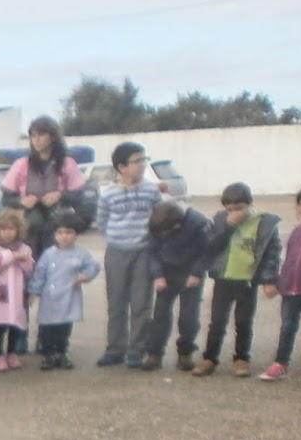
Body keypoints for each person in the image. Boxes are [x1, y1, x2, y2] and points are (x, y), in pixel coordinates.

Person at [193, 183, 282, 379]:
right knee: (217, 321)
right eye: (230, 209)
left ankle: (241, 358)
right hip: (224, 278)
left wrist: (269, 279)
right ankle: (210, 358)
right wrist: (228, 226)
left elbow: (272, 253)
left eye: (239, 208)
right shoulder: (220, 219)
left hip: (247, 281)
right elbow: (211, 246)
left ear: (249, 204)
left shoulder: (264, 222)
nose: (234, 213)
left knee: (243, 321)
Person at [95, 142, 161, 368]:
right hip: (116, 252)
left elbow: (159, 218)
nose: (142, 165)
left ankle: (136, 350)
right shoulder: (108, 193)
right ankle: (115, 349)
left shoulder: (151, 190)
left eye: (144, 160)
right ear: (121, 167)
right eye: (137, 161)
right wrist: (116, 239)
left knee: (141, 303)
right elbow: (102, 222)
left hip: (144, 252)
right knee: (116, 303)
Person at [0, 116, 86, 260]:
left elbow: (79, 197)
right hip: (28, 228)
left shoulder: (67, 164)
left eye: (41, 135)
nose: (36, 139)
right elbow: (5, 199)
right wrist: (21, 201)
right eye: (33, 135)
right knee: (30, 264)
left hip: (58, 229)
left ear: (52, 137)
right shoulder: (21, 164)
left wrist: (60, 196)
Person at [143, 203, 210, 373]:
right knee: (160, 314)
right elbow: (152, 251)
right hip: (166, 271)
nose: (163, 235)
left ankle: (185, 353)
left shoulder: (199, 223)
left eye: (166, 232)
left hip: (191, 272)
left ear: (177, 225)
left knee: (189, 316)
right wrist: (158, 274)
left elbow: (207, 251)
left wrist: (197, 272)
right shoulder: (157, 224)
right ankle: (154, 354)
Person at [29, 212, 100, 370]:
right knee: (48, 329)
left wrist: (85, 276)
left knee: (64, 329)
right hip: (50, 298)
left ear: (76, 235)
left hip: (69, 297)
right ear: (55, 235)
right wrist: (34, 291)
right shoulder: (49, 254)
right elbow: (39, 273)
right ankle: (48, 355)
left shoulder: (81, 253)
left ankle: (61, 353)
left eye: (69, 232)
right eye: (60, 232)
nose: (64, 236)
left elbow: (93, 266)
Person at [0, 210, 36, 371]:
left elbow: (29, 268)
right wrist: (12, 256)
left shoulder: (24, 248)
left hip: (17, 292)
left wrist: (24, 260)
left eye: (11, 229)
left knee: (15, 324)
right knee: (0, 324)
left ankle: (12, 353)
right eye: (3, 229)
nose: (7, 233)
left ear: (18, 230)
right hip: (0, 292)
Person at [258, 187, 301, 381]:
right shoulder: (297, 231)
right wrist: (278, 282)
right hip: (291, 289)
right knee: (287, 327)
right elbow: (290, 261)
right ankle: (281, 362)